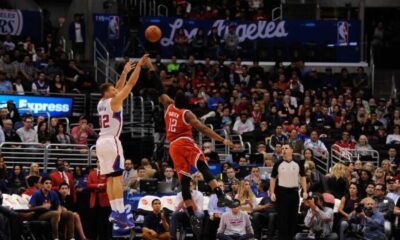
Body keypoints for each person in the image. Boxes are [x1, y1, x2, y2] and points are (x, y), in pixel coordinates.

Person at [158, 86, 238, 235]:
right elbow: (204, 129)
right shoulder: (187, 114)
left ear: (174, 100)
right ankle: (221, 196)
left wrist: (149, 66)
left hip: (173, 147)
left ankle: (191, 215)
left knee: (184, 182)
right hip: (185, 142)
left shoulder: (168, 107)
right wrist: (222, 140)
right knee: (203, 167)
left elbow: (160, 89)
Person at [95, 54, 148, 227]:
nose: (116, 91)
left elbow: (118, 86)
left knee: (110, 178)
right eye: (112, 90)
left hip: (100, 142)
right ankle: (120, 212)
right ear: (107, 93)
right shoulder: (115, 101)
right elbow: (130, 85)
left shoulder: (101, 102)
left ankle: (115, 211)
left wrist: (124, 72)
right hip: (111, 142)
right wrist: (138, 66)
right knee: (117, 178)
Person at [269, 144, 308, 240]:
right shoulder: (278, 163)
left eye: (286, 148)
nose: (283, 150)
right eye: (282, 148)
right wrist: (272, 192)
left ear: (291, 150)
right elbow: (273, 178)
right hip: (281, 192)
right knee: (282, 217)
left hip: (294, 192)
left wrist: (305, 191)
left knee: (293, 217)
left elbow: (303, 177)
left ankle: (292, 237)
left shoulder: (298, 163)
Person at [87, 160, 111, 240]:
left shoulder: (107, 173)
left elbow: (107, 185)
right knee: (93, 221)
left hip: (104, 201)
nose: (100, 163)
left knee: (104, 221)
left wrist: (97, 186)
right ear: (96, 163)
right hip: (94, 200)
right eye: (98, 162)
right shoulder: (91, 173)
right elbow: (89, 185)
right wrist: (99, 185)